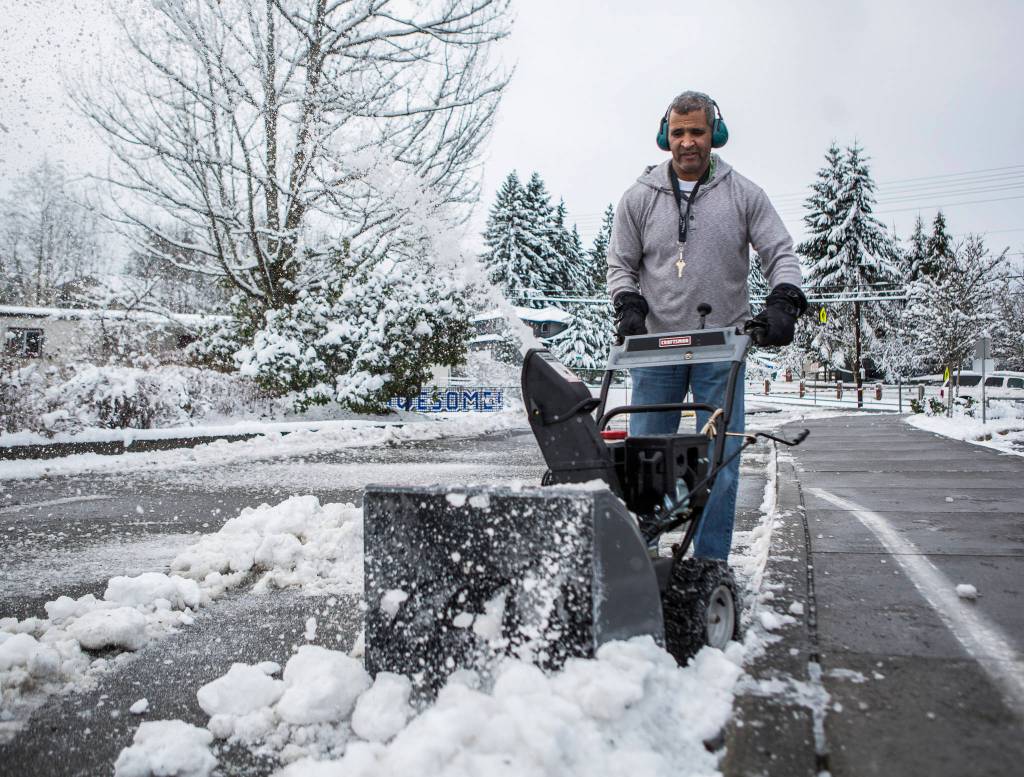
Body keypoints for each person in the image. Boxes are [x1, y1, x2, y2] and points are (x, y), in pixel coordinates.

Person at [606, 90, 806, 561]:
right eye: (678, 133)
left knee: (720, 461)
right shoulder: (638, 198)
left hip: (723, 348)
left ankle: (711, 565)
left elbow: (781, 253)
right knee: (647, 459)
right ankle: (642, 559)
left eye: (697, 131)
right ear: (665, 136)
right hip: (656, 350)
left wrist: (784, 300)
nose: (687, 142)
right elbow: (620, 264)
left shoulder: (745, 195)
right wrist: (628, 303)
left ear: (714, 134)